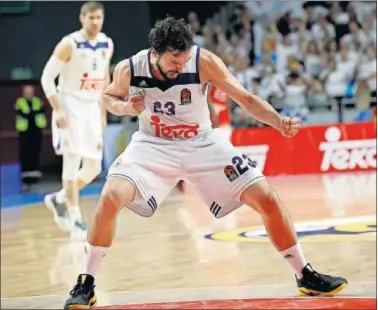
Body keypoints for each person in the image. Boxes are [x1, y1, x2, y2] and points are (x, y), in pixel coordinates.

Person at [64, 17, 347, 309]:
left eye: (184, 59)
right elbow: (108, 97)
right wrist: (125, 107)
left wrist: (278, 121)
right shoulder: (130, 68)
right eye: (174, 60)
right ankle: (86, 284)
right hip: (152, 144)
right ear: (156, 52)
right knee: (111, 195)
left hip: (202, 142)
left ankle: (305, 275)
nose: (179, 66)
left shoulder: (203, 61)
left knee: (266, 197)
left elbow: (245, 98)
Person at [41, 1, 114, 241]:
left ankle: (60, 198)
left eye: (99, 18)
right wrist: (58, 109)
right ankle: (75, 220)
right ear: (82, 18)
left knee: (93, 168)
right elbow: (47, 78)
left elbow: (104, 79)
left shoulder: (106, 43)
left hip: (92, 108)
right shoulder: (69, 44)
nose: (95, 22)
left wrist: (103, 112)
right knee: (71, 163)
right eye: (91, 17)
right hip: (70, 106)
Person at [15, 85, 47, 189]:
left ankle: (35, 176)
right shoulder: (19, 102)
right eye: (26, 92)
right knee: (25, 154)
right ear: (23, 93)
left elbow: (42, 110)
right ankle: (25, 177)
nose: (29, 94)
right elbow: (21, 113)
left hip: (37, 131)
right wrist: (33, 113)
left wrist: (31, 113)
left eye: (30, 92)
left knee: (35, 153)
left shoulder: (38, 101)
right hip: (24, 132)